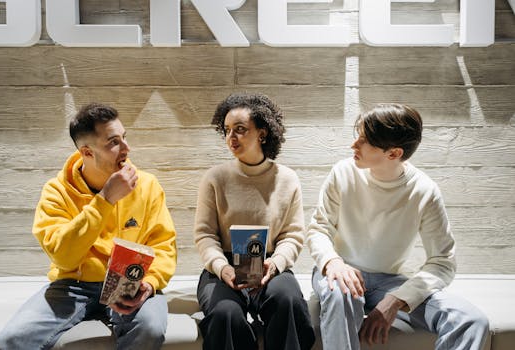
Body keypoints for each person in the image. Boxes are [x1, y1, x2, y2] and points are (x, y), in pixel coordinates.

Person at [0, 103, 177, 350]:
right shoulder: (56, 192)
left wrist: (150, 283)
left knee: (150, 327)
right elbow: (63, 257)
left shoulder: (147, 185)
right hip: (73, 285)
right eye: (113, 142)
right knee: (10, 341)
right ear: (87, 153)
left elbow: (163, 246)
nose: (126, 148)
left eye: (124, 137)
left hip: (131, 282)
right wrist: (105, 200)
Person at [307, 104, 489, 350]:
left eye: (364, 140)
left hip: (388, 282)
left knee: (470, 320)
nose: (354, 145)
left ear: (393, 154)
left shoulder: (424, 191)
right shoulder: (343, 173)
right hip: (341, 271)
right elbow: (319, 228)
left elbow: (442, 261)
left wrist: (396, 300)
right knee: (342, 294)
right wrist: (333, 262)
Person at [194, 92, 315, 350]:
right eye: (226, 130)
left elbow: (293, 235)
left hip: (270, 262)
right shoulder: (215, 178)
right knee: (225, 313)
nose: (231, 137)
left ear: (262, 133)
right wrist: (221, 267)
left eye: (240, 129)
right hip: (223, 264)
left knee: (288, 302)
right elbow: (205, 235)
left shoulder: (287, 178)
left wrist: (277, 263)